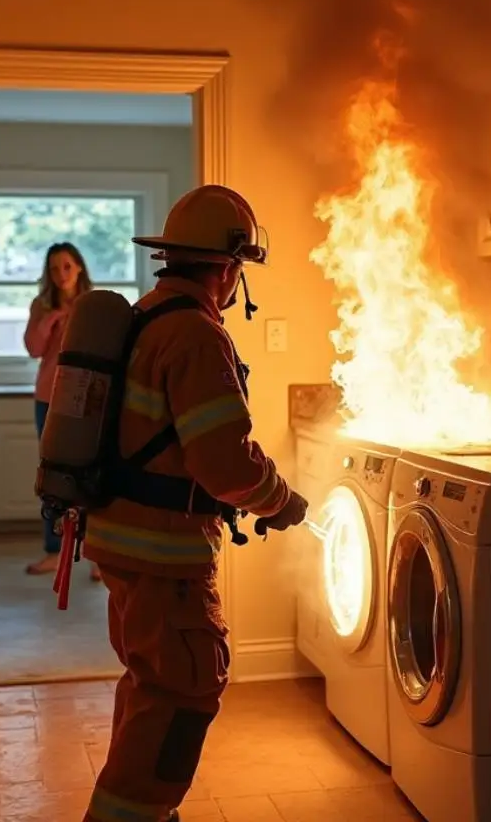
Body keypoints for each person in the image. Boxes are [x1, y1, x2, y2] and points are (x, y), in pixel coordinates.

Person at [81, 185, 310, 822]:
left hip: (125, 546)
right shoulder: (196, 337)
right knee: (182, 697)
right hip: (165, 557)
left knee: (151, 693)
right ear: (230, 267)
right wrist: (281, 501)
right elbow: (225, 464)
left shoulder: (149, 315)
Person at [23, 241, 100, 579]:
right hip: (49, 398)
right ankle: (55, 552)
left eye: (67, 266)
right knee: (53, 476)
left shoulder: (95, 305)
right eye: (54, 269)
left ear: (79, 267)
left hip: (88, 398)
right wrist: (52, 318)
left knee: (93, 472)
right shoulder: (41, 306)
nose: (61, 274)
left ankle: (98, 554)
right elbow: (34, 349)